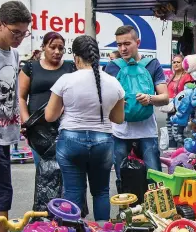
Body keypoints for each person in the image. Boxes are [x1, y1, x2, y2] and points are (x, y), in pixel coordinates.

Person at [45, 35, 125, 221]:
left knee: (73, 191)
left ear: (76, 58)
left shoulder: (66, 80)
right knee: (101, 192)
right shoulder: (114, 83)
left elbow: (50, 116)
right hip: (103, 142)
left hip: (71, 140)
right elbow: (118, 119)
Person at [105, 25, 169, 191]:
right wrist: (115, 103)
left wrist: (150, 98)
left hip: (147, 131)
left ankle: (155, 213)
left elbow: (165, 97)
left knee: (155, 178)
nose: (123, 48)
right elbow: (103, 99)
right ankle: (126, 212)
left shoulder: (152, 65)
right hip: (120, 131)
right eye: (119, 45)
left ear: (138, 42)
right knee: (121, 177)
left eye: (127, 43)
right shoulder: (112, 67)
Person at [0, 0, 32, 232]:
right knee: (1, 195)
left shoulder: (14, 55)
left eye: (23, 33)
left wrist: (20, 125)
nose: (19, 38)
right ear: (0, 24)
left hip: (6, 135)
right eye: (15, 32)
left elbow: (12, 98)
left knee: (1, 194)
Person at [19, 32, 75, 165]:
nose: (57, 51)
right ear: (43, 47)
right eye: (52, 47)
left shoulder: (71, 67)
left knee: (65, 169)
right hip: (37, 129)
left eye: (61, 48)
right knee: (43, 170)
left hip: (64, 127)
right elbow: (21, 98)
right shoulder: (31, 67)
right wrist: (27, 122)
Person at [167, 54, 194, 148]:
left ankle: (185, 153)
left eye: (178, 62)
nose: (175, 64)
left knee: (178, 134)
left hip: (181, 111)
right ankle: (171, 155)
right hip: (170, 109)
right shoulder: (171, 77)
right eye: (174, 62)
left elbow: (190, 93)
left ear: (183, 63)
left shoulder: (187, 77)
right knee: (170, 135)